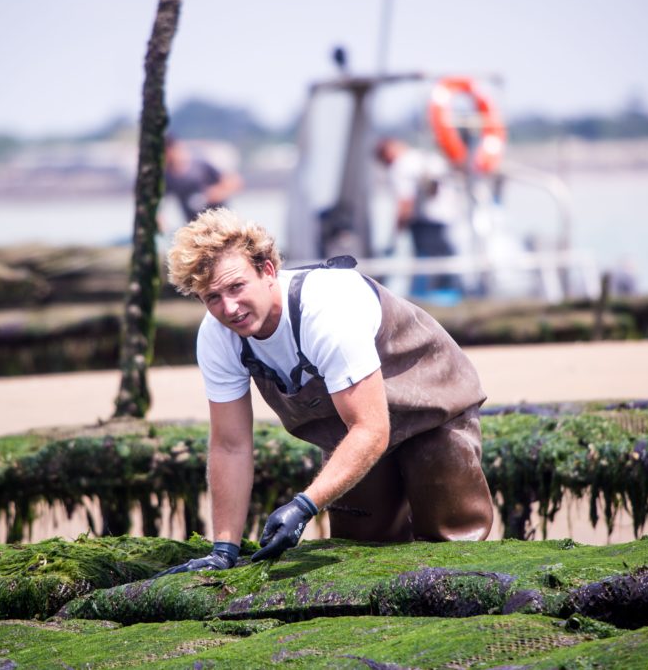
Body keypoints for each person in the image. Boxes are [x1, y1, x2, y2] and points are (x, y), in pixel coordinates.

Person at [156, 208, 493, 576]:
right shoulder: (218, 336)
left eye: (236, 287)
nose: (230, 308)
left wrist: (304, 505)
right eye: (212, 297)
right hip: (350, 431)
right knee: (358, 553)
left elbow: (371, 428)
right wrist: (223, 549)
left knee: (451, 547)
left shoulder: (325, 312)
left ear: (267, 270)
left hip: (433, 408)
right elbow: (230, 445)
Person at [375, 137, 465, 296]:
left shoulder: (401, 166)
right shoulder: (423, 158)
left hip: (424, 222)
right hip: (445, 216)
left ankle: (427, 295)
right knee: (444, 259)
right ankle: (448, 293)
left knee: (425, 262)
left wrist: (397, 230)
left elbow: (405, 202)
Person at [164, 136, 243, 224]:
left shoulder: (201, 165)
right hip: (195, 226)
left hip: (221, 222)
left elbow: (235, 182)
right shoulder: (168, 176)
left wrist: (214, 194)